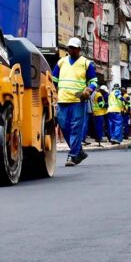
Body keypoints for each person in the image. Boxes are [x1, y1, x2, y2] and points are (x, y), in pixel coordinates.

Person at [52, 37, 96, 166]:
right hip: (63, 99)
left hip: (78, 100)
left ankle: (72, 156)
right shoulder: (61, 62)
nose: (71, 50)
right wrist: (54, 93)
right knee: (64, 126)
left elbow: (93, 81)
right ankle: (79, 152)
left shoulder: (86, 63)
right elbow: (54, 79)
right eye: (70, 47)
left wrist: (89, 90)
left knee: (75, 127)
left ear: (79, 49)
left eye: (74, 48)